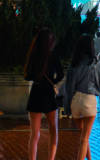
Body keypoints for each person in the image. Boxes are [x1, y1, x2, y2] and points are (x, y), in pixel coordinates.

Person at [64, 34, 100, 160]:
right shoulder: (95, 64)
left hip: (76, 100)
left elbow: (68, 88)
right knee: (85, 138)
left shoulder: (73, 65)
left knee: (83, 137)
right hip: (89, 101)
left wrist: (67, 107)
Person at [24, 28, 64, 160]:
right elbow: (61, 74)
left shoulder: (33, 55)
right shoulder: (53, 55)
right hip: (48, 94)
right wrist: (53, 81)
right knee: (53, 130)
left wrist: (37, 76)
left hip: (36, 92)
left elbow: (27, 76)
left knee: (34, 134)